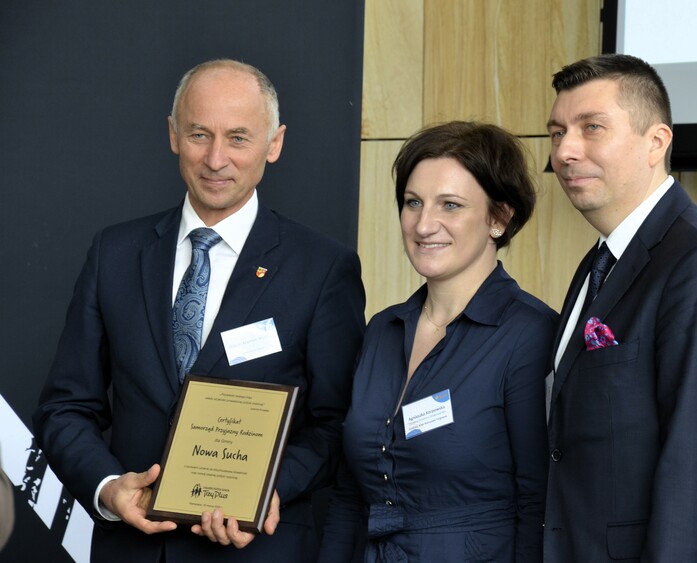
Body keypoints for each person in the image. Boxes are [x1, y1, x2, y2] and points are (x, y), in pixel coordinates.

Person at [32, 59, 366, 562]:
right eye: (199, 134)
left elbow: (336, 422)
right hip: (132, 549)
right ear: (173, 135)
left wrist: (265, 493)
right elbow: (65, 408)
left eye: (238, 138)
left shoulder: (322, 268)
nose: (215, 159)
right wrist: (108, 487)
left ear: (274, 143)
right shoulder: (114, 254)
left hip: (256, 549)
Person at [543, 53, 697, 562]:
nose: (565, 151)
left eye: (592, 128)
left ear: (657, 142)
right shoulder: (601, 260)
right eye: (557, 133)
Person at [318, 121, 557, 562]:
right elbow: (349, 495)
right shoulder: (382, 330)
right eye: (413, 202)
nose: (424, 224)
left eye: (450, 205)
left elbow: (537, 503)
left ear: (499, 219)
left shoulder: (531, 334)